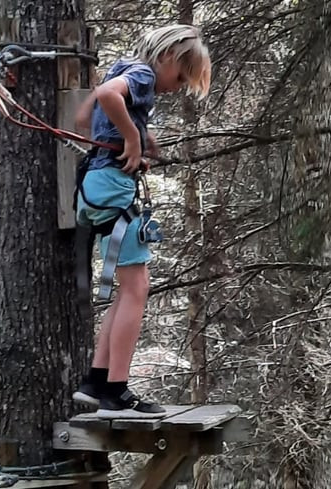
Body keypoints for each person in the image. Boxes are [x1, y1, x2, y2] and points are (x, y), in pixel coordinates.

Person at [72, 24, 211, 416]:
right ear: (167, 57)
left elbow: (86, 116)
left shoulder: (123, 68)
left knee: (126, 288)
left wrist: (131, 140)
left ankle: (95, 383)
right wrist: (132, 139)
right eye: (180, 76)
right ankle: (116, 391)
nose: (177, 86)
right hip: (112, 189)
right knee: (137, 287)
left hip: (97, 186)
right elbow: (104, 95)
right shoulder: (144, 74)